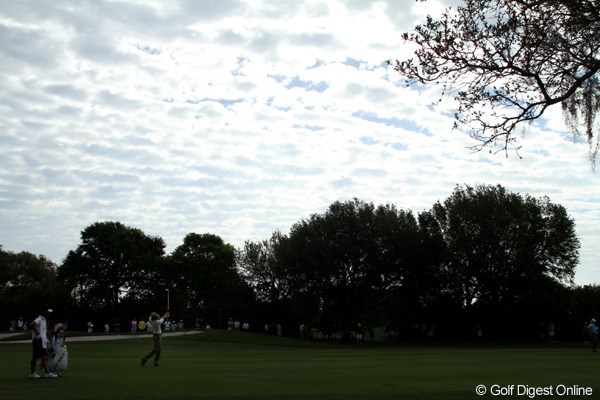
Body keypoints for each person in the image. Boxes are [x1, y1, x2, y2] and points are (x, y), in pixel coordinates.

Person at [29, 306, 58, 379]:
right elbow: (32, 324)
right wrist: (36, 332)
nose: (49, 313)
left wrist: (47, 338)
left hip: (42, 341)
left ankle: (46, 372)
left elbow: (43, 331)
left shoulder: (44, 320)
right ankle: (34, 373)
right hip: (38, 340)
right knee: (36, 357)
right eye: (48, 312)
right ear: (44, 312)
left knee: (44, 357)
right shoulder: (40, 319)